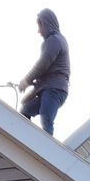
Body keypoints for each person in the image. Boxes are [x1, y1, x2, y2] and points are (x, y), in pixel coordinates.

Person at [18, 9, 70, 137]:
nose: (38, 31)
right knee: (26, 110)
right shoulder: (54, 41)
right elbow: (45, 72)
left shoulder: (55, 41)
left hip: (54, 89)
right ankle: (26, 140)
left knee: (46, 119)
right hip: (48, 88)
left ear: (45, 24)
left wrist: (26, 81)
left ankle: (48, 150)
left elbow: (42, 65)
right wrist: (30, 86)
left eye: (39, 26)